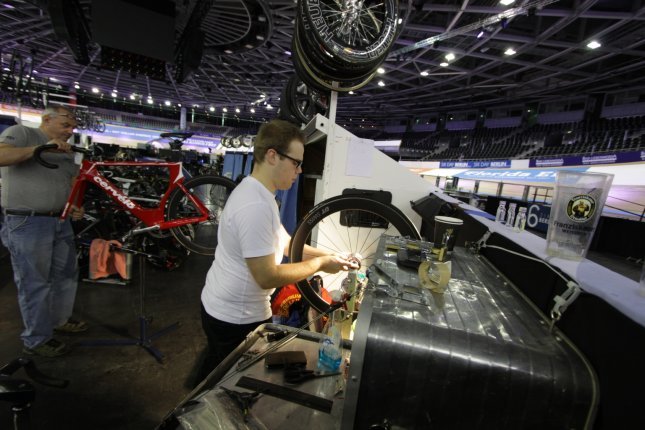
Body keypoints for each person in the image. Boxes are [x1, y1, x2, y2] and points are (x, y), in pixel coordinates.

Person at [197, 119, 358, 382]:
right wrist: (320, 265)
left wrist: (331, 256)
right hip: (234, 319)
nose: (300, 170)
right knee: (224, 384)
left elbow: (285, 243)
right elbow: (267, 276)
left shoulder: (262, 195)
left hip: (224, 308)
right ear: (272, 156)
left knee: (213, 371)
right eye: (296, 162)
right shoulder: (255, 205)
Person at [0, 105, 86, 358]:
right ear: (47, 120)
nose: (70, 131)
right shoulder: (23, 133)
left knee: (67, 275)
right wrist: (41, 148)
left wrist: (75, 206)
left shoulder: (67, 151)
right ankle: (36, 339)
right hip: (27, 223)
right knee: (34, 281)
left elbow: (72, 183)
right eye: (65, 125)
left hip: (60, 221)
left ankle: (60, 321)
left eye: (73, 127)